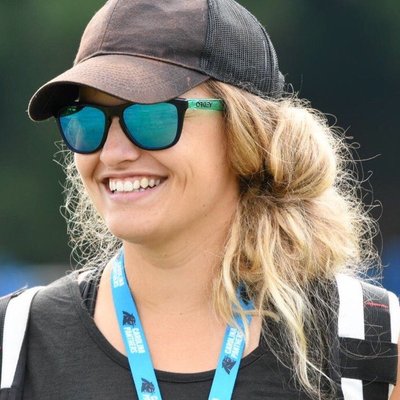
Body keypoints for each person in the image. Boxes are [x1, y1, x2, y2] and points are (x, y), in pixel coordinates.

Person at [2, 0, 399, 399]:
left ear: (247, 132)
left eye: (152, 115)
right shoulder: (14, 343)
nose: (112, 153)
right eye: (85, 119)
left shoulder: (371, 339)